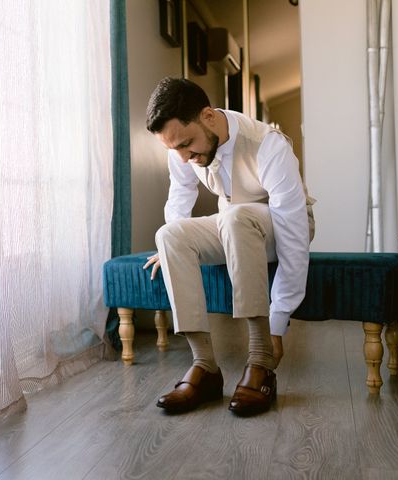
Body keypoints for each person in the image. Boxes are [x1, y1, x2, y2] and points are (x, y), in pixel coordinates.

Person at [143, 77, 314, 416]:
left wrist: (279, 319)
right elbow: (179, 201)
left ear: (208, 116)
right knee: (169, 235)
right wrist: (171, 252)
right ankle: (204, 367)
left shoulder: (268, 145)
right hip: (233, 226)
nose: (183, 157)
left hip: (281, 226)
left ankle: (261, 359)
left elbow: (293, 234)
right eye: (174, 149)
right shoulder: (183, 149)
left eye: (186, 144)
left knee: (237, 218)